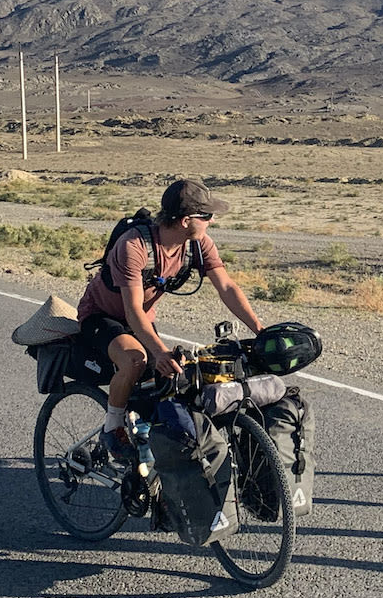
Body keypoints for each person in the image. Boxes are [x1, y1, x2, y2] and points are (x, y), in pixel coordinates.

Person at [76, 178, 263, 461]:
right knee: (136, 359)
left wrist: (260, 330)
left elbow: (227, 287)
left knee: (170, 378)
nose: (212, 221)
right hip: (102, 315)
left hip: (141, 318)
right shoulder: (134, 246)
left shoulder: (198, 245)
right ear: (186, 220)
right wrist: (159, 351)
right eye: (207, 216)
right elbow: (132, 311)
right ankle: (112, 428)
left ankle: (147, 444)